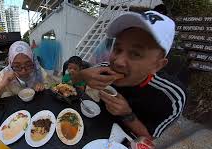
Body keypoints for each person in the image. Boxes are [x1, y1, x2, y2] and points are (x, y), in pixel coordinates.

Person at [75, 11, 186, 139]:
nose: (118, 61)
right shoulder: (105, 69)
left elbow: (149, 138)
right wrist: (82, 75)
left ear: (157, 66)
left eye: (135, 54)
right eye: (117, 49)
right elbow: (72, 80)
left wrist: (127, 114)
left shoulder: (172, 96)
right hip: (95, 129)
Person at [0, 41, 47, 107]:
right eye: (17, 66)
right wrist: (2, 84)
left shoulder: (37, 70)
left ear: (32, 61)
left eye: (28, 64)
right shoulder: (5, 74)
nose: (23, 71)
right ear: (10, 63)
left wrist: (43, 86)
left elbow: (52, 85)